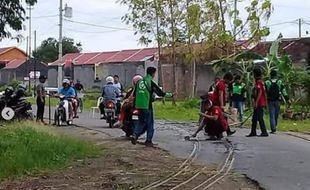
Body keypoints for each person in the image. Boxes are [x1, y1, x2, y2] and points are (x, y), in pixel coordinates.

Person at [131, 67, 174, 147]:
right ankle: (148, 141)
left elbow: (134, 94)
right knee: (149, 124)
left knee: (140, 122)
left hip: (138, 106)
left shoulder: (139, 82)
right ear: (153, 73)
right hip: (147, 106)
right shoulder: (150, 82)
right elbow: (160, 93)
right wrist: (171, 95)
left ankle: (135, 134)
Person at [246, 68, 269, 137]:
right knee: (254, 118)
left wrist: (256, 102)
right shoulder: (261, 81)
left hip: (260, 102)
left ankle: (264, 131)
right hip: (261, 102)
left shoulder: (259, 82)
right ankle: (253, 132)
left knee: (259, 117)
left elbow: (260, 92)